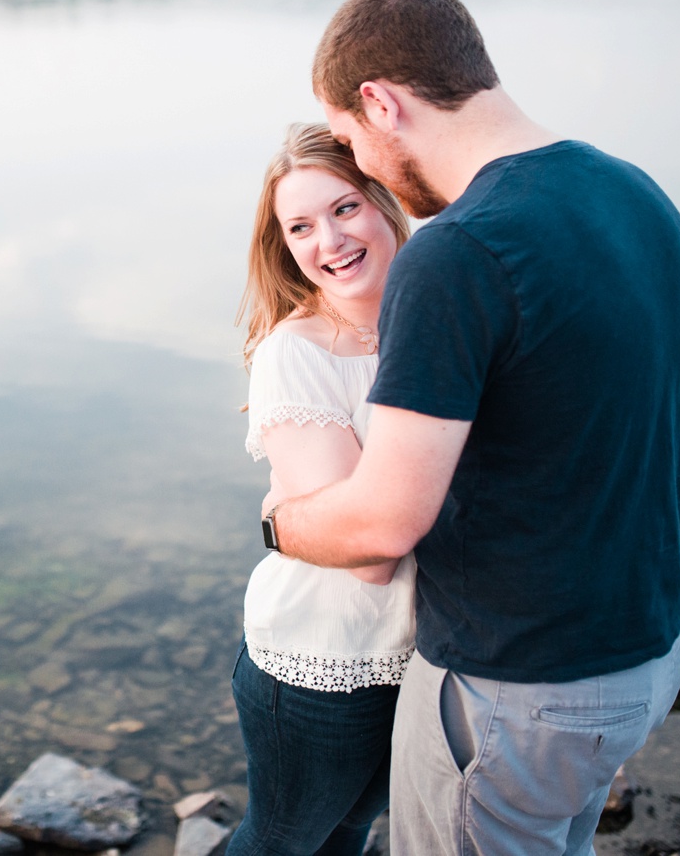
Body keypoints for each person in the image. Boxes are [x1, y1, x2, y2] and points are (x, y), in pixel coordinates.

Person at [264, 0, 680, 854]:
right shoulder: (636, 194)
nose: (365, 163)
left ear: (380, 104)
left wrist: (280, 526)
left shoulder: (461, 251)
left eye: (352, 140)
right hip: (650, 651)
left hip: (520, 685)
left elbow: (384, 522)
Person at [229, 121, 414, 856]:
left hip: (418, 651)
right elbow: (368, 549)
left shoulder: (436, 324)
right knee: (281, 841)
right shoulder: (296, 355)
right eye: (299, 227)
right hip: (324, 661)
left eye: (344, 209)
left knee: (347, 831)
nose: (328, 242)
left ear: (384, 201)